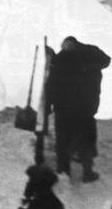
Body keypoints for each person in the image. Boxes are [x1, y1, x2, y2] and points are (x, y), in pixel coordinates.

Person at [47, 35, 111, 182]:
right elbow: (106, 60)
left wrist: (49, 105)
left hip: (64, 107)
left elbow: (51, 84)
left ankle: (64, 171)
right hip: (86, 106)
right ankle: (87, 171)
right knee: (86, 136)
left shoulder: (60, 60)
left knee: (63, 138)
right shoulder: (90, 54)